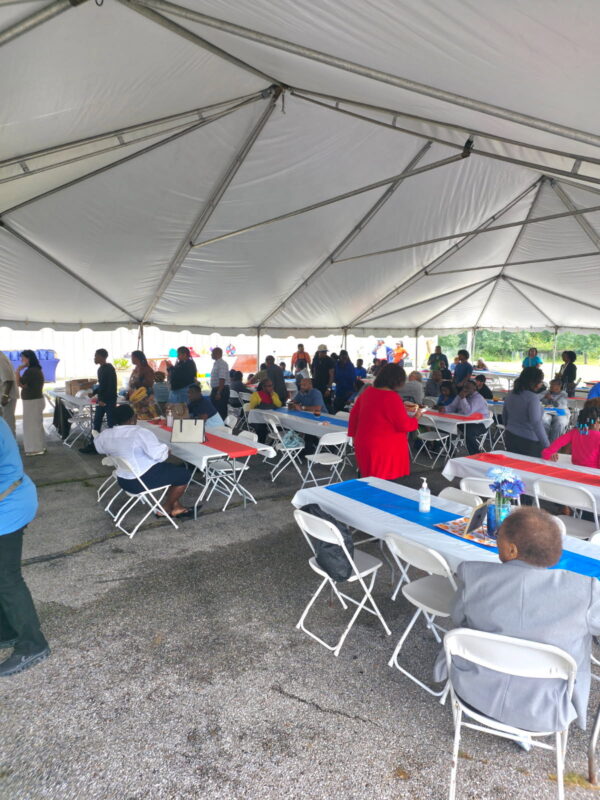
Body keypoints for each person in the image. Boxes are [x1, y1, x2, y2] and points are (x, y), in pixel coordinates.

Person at [434, 507, 600, 734]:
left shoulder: (474, 577)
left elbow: (457, 616)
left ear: (512, 549)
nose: (496, 542)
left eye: (498, 537)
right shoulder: (586, 591)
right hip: (545, 708)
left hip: (473, 691)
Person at [0, 417, 50, 676]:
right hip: (11, 497)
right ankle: (7, 631)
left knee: (6, 578)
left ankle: (33, 644)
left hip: (7, 507)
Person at [94, 405, 192, 518]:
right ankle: (166, 508)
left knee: (169, 469)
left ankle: (177, 506)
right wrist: (167, 451)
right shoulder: (140, 433)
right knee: (184, 474)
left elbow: (99, 449)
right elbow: (160, 456)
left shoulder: (106, 434)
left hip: (123, 479)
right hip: (140, 482)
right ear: (133, 417)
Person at [348, 364, 423, 479]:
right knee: (383, 484)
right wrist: (416, 418)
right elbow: (404, 425)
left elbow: (353, 416)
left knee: (368, 479)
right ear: (397, 381)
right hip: (385, 448)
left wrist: (353, 438)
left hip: (364, 443)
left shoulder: (367, 392)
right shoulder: (392, 398)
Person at [503, 366, 549, 457]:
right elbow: (536, 423)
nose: (541, 384)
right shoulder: (532, 398)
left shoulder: (511, 393)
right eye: (541, 381)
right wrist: (547, 445)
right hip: (528, 442)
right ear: (535, 382)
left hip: (510, 436)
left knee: (513, 464)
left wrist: (509, 428)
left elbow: (505, 416)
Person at [80, 348, 117, 454]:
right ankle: (94, 445)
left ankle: (114, 448)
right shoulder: (101, 369)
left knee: (111, 424)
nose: (94, 358)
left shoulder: (108, 369)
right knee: (96, 423)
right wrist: (94, 392)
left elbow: (110, 386)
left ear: (101, 357)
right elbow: (102, 385)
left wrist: (102, 400)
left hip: (108, 400)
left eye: (96, 356)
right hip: (103, 400)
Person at [443, 379, 490, 455]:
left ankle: (476, 454)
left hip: (480, 424)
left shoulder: (478, 398)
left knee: (468, 432)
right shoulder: (461, 395)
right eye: (464, 387)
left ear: (474, 389)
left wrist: (463, 398)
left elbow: (468, 412)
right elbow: (452, 407)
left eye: (467, 388)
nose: (464, 389)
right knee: (444, 425)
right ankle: (449, 450)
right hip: (464, 421)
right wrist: (444, 409)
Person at [16, 350, 45, 456]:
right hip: (34, 400)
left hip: (32, 401)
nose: (21, 360)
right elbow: (23, 385)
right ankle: (39, 447)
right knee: (36, 425)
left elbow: (19, 383)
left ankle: (34, 449)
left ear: (28, 359)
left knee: (31, 427)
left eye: (23, 358)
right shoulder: (35, 369)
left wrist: (18, 370)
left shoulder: (31, 371)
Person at [248, 378, 282, 442]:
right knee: (261, 429)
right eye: (269, 386)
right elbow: (252, 407)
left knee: (280, 427)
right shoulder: (256, 394)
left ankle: (274, 443)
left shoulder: (274, 394)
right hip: (257, 419)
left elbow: (279, 405)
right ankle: (261, 444)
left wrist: (272, 396)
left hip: (270, 419)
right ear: (263, 387)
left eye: (272, 385)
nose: (271, 387)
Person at [541, 378, 569, 442]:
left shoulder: (563, 394)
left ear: (559, 386)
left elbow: (559, 405)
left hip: (560, 412)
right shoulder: (547, 392)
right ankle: (544, 440)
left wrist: (551, 398)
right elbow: (537, 397)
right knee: (544, 419)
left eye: (552, 385)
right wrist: (543, 397)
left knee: (559, 422)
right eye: (550, 385)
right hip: (547, 412)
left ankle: (553, 443)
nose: (550, 387)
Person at [311, 345, 335, 410]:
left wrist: (328, 389)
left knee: (326, 405)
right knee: (316, 403)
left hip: (325, 386)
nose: (324, 353)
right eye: (323, 352)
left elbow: (331, 375)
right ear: (319, 352)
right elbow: (313, 371)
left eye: (325, 352)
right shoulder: (315, 359)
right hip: (316, 385)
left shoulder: (329, 360)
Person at [210, 347, 230, 419]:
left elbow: (222, 379)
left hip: (221, 389)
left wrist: (219, 392)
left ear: (217, 354)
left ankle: (222, 425)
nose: (211, 354)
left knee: (221, 411)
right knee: (215, 410)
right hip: (217, 389)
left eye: (212, 353)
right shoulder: (216, 363)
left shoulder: (222, 364)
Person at [0, 350, 17, 436]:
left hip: (7, 397)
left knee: (7, 423)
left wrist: (5, 396)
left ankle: (11, 443)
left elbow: (9, 380)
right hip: (3, 395)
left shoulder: (1, 359)